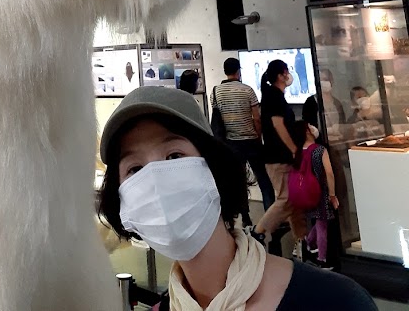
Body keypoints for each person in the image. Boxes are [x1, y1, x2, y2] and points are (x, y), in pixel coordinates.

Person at [97, 86, 377, 310]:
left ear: (215, 169)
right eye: (134, 169)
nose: (156, 182)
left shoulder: (333, 300)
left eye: (174, 156)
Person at [212, 58, 275, 227]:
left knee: (239, 181)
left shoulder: (216, 91)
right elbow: (256, 118)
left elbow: (219, 119)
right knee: (264, 180)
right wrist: (258, 136)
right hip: (251, 141)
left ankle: (245, 216)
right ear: (238, 71)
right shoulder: (247, 90)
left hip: (232, 143)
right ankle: (271, 216)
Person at [253, 60, 307, 251]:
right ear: (280, 75)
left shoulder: (273, 96)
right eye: (286, 71)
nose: (289, 75)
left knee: (295, 200)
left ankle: (302, 240)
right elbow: (278, 125)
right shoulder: (273, 97)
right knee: (286, 198)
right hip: (278, 156)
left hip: (280, 156)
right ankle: (258, 232)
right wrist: (293, 148)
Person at [291, 120, 339, 270]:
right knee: (322, 224)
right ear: (307, 131)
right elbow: (329, 173)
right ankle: (322, 259)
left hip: (306, 193)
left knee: (318, 221)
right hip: (321, 192)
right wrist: (332, 194)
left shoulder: (298, 151)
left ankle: (306, 243)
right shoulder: (320, 150)